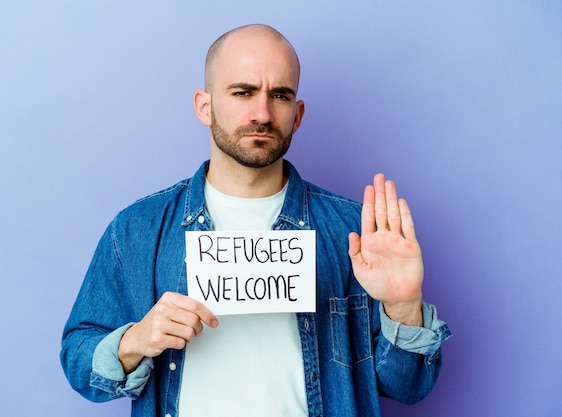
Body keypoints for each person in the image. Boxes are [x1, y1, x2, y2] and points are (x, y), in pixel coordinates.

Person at [60, 24, 451, 417]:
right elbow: (78, 362)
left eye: (279, 95)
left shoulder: (355, 233)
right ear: (205, 105)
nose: (262, 114)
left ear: (297, 115)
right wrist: (135, 340)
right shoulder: (137, 229)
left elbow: (408, 387)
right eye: (243, 92)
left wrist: (403, 307)